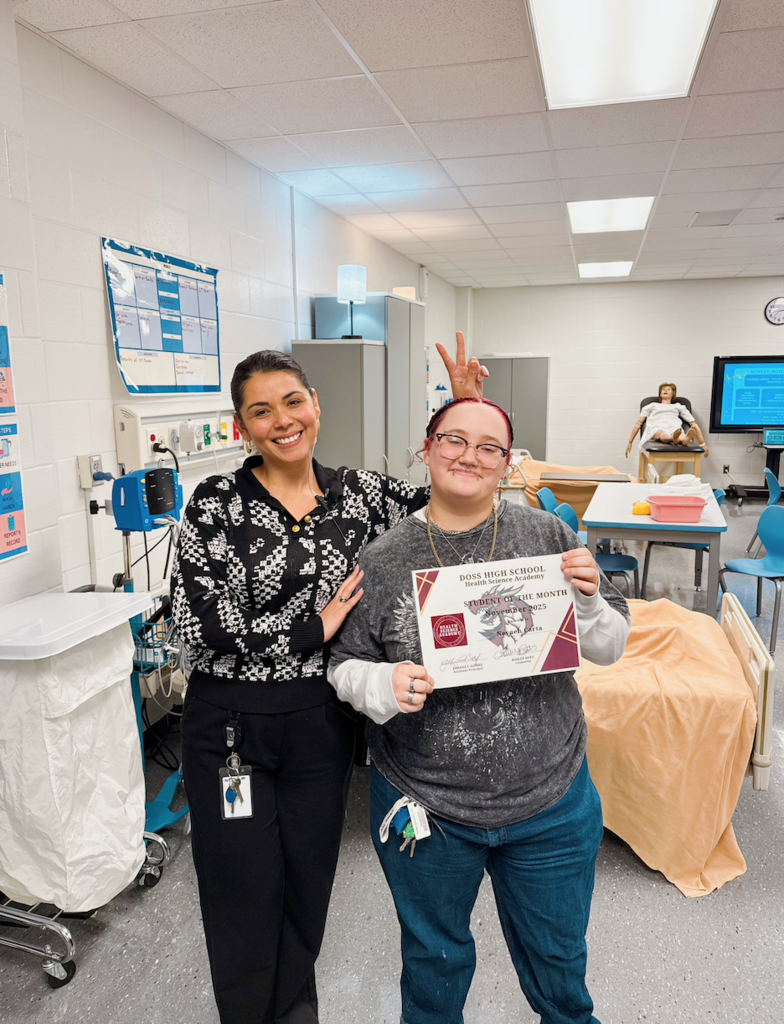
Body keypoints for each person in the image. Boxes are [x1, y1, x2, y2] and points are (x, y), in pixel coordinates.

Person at [171, 336, 483, 1024]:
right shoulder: (215, 502)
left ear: (316, 404)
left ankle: (294, 1014)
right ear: (241, 427)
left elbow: (453, 502)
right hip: (230, 729)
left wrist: (465, 410)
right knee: (243, 891)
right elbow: (198, 622)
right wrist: (309, 631)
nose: (281, 420)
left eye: (292, 402)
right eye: (260, 411)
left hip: (320, 722)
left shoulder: (361, 494)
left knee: (308, 886)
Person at [328, 397, 631, 1024]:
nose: (469, 455)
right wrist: (383, 684)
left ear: (507, 464)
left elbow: (607, 647)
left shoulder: (548, 537)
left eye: (488, 447)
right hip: (427, 806)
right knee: (434, 967)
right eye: (453, 439)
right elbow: (342, 665)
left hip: (551, 800)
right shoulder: (382, 558)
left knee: (560, 967)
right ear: (427, 448)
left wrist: (594, 602)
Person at [626, 382, 709, 458]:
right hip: (657, 426)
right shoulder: (652, 405)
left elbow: (693, 424)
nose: (665, 391)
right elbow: (639, 423)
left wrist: (702, 443)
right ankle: (674, 438)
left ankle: (684, 439)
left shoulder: (678, 406)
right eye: (663, 390)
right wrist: (630, 442)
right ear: (660, 394)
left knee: (681, 434)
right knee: (661, 433)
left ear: (673, 394)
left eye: (668, 389)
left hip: (674, 426)